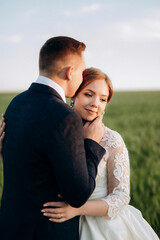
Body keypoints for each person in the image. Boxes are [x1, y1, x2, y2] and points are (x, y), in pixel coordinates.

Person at [0, 37, 106, 240]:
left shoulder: (16, 103)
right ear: (69, 72)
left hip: (10, 227)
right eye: (81, 71)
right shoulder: (65, 116)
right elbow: (77, 195)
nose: (83, 77)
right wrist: (91, 144)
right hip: (45, 233)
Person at [40, 68, 159, 239]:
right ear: (73, 95)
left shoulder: (112, 140)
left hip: (105, 228)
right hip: (58, 226)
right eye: (89, 94)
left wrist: (77, 209)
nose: (96, 103)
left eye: (103, 99)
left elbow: (121, 197)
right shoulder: (56, 133)